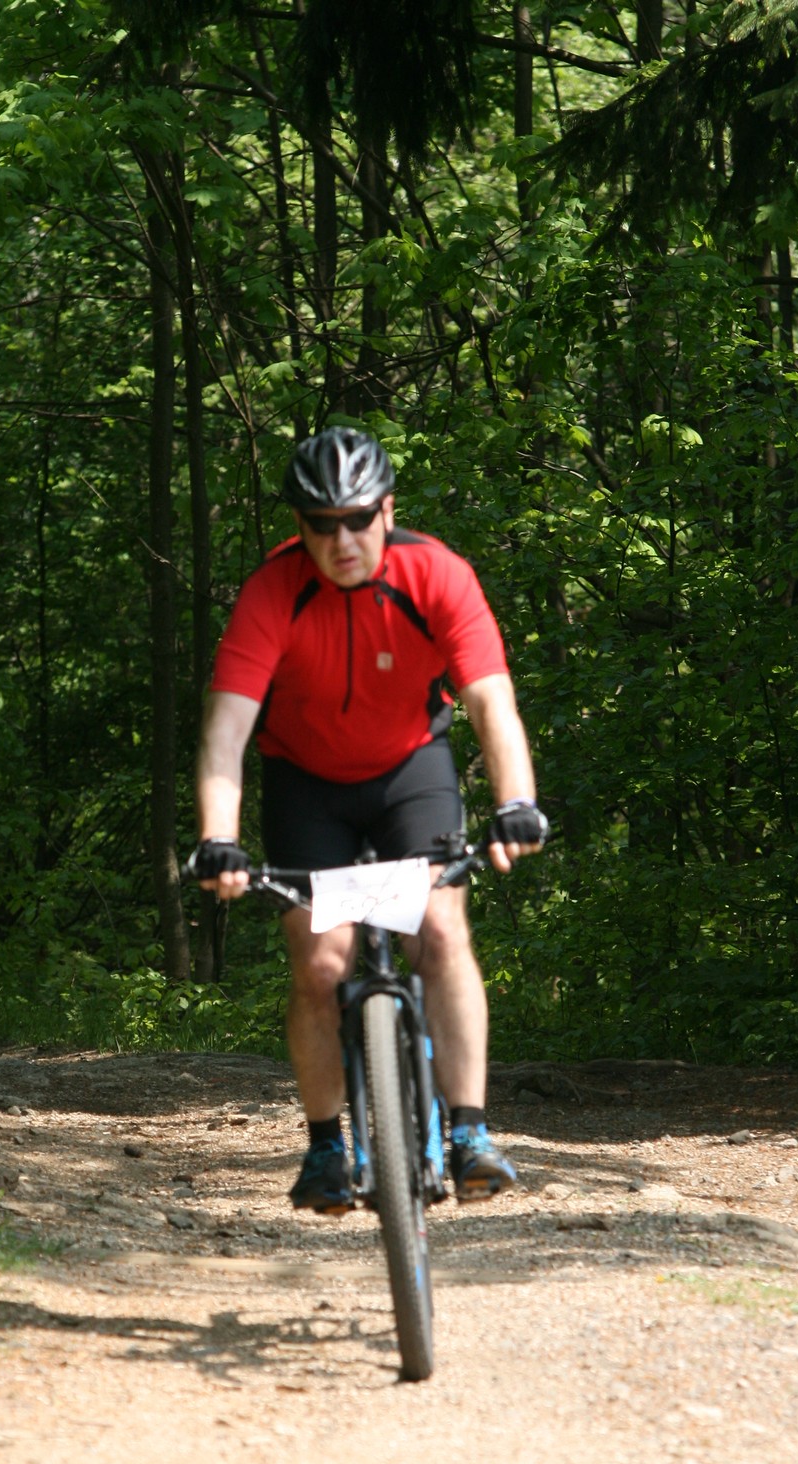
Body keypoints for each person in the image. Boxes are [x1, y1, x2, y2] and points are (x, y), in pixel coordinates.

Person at [190, 426, 547, 1214]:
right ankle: (326, 1146)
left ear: (387, 510)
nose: (341, 540)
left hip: (408, 771)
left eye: (357, 519)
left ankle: (468, 1132)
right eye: (322, 524)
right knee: (321, 964)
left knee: (440, 931)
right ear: (300, 525)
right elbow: (226, 730)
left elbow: (490, 701)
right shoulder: (272, 592)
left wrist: (515, 805)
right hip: (305, 781)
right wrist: (218, 839)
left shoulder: (436, 574)